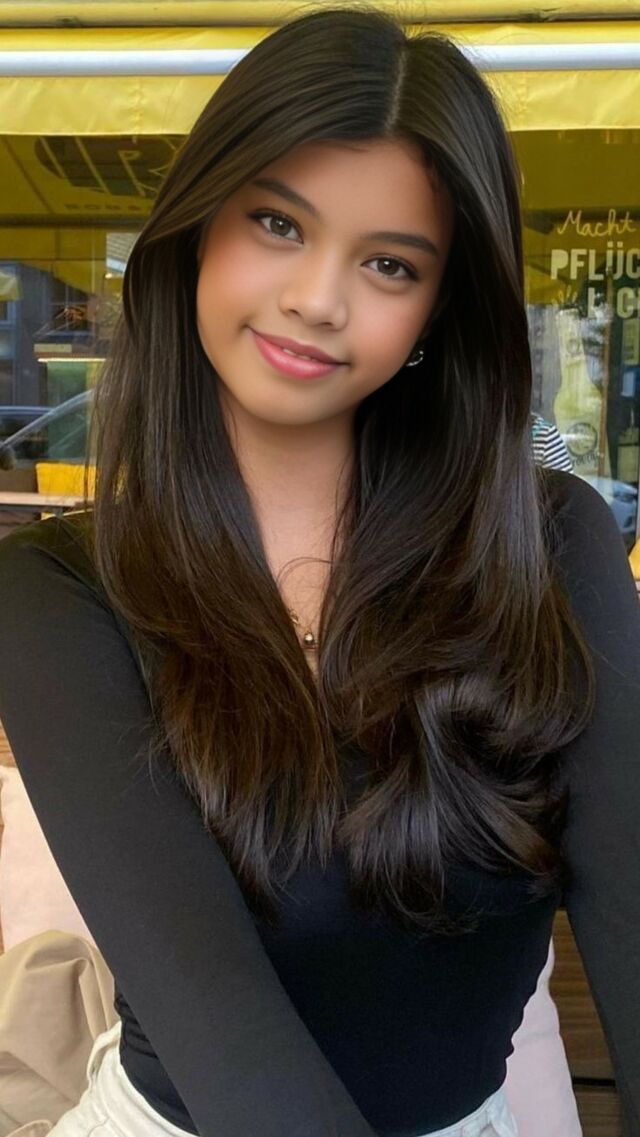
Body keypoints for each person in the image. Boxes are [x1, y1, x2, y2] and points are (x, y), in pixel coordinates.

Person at [0, 7, 638, 1137]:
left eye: (389, 263)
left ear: (438, 309)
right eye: (277, 223)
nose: (317, 297)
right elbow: (222, 1030)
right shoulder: (60, 592)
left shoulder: (552, 547)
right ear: (198, 230)